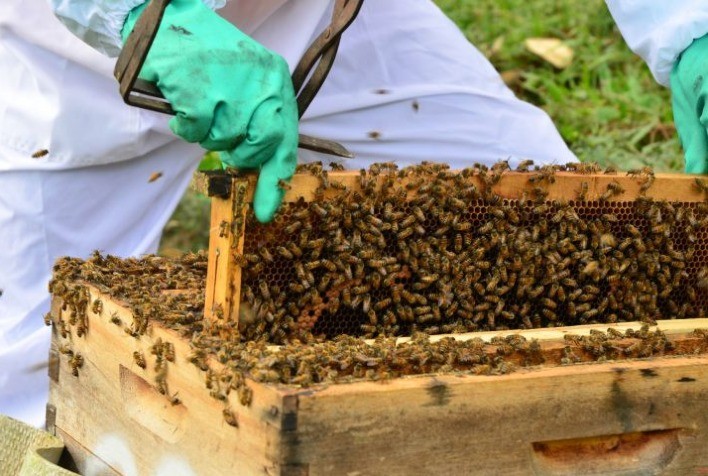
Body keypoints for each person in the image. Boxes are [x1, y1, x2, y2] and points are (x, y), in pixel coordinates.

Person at [0, 0, 702, 429]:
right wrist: (137, 17)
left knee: (551, 238)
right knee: (32, 394)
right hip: (60, 63)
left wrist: (689, 26)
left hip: (319, 19)